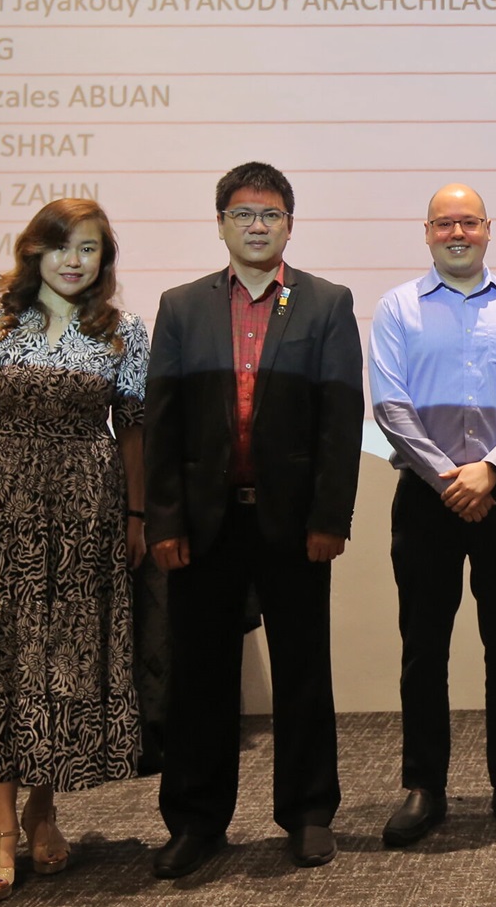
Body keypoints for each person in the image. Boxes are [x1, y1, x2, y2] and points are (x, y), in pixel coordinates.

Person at [0, 198, 147, 903]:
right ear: (34, 253)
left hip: (88, 515)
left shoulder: (124, 333)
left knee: (63, 663)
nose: (75, 260)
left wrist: (137, 515)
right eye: (61, 246)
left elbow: (134, 431)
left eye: (90, 248)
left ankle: (43, 807)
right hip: (4, 508)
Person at [144, 162, 365, 877]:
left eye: (270, 214)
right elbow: (164, 424)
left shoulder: (327, 303)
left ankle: (306, 813)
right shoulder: (181, 307)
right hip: (204, 524)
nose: (258, 225)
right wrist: (163, 521)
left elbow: (339, 420)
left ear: (290, 224)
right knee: (200, 675)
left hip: (295, 522)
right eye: (243, 214)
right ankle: (196, 821)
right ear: (221, 224)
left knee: (304, 670)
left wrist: (331, 515)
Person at [370, 184, 496, 845]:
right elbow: (389, 404)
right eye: (445, 221)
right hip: (426, 497)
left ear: (487, 230)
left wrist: (491, 468)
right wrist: (449, 475)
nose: (458, 231)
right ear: (426, 231)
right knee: (425, 647)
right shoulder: (397, 307)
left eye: (469, 221)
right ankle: (425, 786)